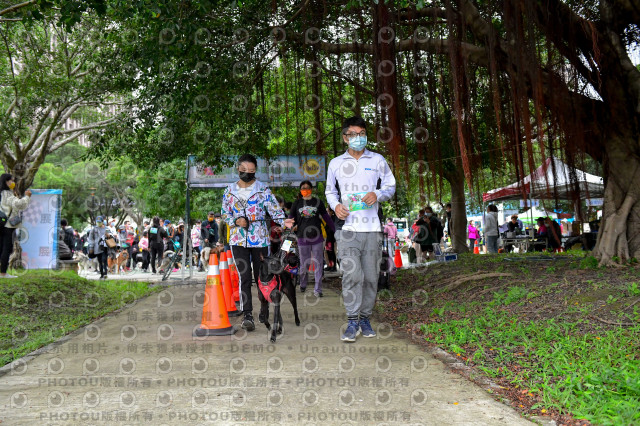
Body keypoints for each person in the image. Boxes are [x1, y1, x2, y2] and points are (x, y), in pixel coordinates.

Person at [325, 116, 396, 342]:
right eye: (354, 134)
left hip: (372, 228)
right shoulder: (335, 163)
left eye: (362, 134)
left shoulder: (377, 160)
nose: (359, 138)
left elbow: (390, 185)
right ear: (345, 138)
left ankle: (365, 318)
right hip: (347, 229)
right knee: (351, 274)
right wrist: (336, 206)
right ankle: (352, 321)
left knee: (371, 277)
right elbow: (329, 191)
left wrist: (378, 194)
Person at [222, 154, 289, 331]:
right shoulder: (229, 190)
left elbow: (275, 211)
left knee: (262, 277)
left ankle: (264, 309)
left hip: (259, 239)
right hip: (237, 240)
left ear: (255, 171)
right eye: (244, 170)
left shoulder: (262, 189)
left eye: (251, 170)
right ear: (238, 169)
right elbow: (225, 213)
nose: (248, 173)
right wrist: (235, 221)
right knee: (244, 277)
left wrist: (285, 222)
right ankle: (247, 315)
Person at [289, 180, 335, 297]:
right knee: (305, 264)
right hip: (302, 237)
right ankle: (303, 283)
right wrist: (288, 226)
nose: (305, 190)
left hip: (317, 237)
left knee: (318, 263)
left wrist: (335, 229)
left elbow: (326, 217)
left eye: (307, 188)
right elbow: (290, 218)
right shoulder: (297, 203)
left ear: (311, 189)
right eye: (303, 188)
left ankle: (318, 289)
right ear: (300, 190)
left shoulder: (318, 202)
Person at [0, 174, 31, 278]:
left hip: (1, 224)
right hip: (7, 225)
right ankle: (3, 273)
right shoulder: (7, 194)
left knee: (1, 248)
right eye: (12, 180)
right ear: (6, 182)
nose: (13, 183)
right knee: (6, 249)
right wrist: (27, 197)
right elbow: (19, 204)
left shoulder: (2, 193)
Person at [324, 206, 338, 272]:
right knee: (328, 252)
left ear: (332, 212)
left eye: (328, 211)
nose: (327, 213)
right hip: (328, 238)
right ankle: (330, 265)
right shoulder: (328, 219)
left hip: (331, 239)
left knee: (332, 253)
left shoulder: (333, 218)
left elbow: (332, 229)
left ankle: (334, 266)